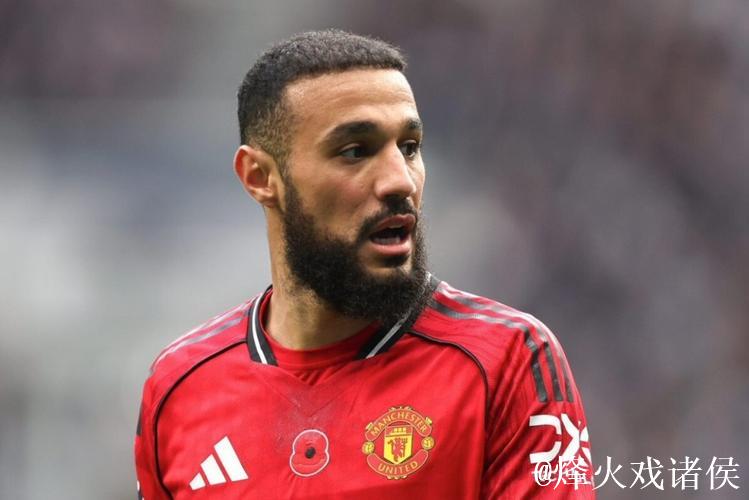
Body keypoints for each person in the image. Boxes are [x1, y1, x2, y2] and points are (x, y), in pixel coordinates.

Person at [134, 30, 595, 499]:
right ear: (261, 177)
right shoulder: (179, 385)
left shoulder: (506, 360)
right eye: (355, 151)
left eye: (409, 147)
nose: (400, 181)